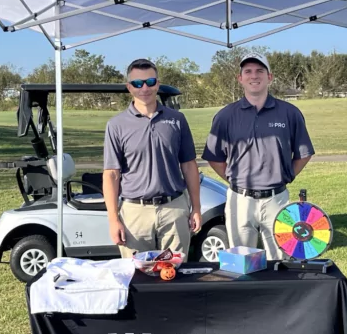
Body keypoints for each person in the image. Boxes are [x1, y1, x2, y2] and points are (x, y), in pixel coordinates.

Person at [202, 54, 315, 260]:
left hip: (277, 198)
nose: (254, 76)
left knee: (280, 261)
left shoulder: (289, 113)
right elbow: (215, 157)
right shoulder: (226, 115)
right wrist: (233, 180)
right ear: (240, 78)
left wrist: (286, 175)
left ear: (270, 77)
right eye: (248, 71)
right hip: (240, 200)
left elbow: (303, 153)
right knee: (241, 261)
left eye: (260, 71)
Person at [103, 59, 202, 258]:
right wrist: (113, 219)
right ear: (129, 87)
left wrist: (196, 208)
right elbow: (111, 175)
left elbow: (189, 166)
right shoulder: (116, 125)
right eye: (138, 84)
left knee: (175, 274)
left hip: (173, 208)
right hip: (134, 212)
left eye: (150, 82)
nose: (145, 88)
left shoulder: (177, 119)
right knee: (137, 278)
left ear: (157, 83)